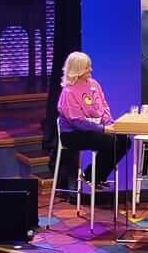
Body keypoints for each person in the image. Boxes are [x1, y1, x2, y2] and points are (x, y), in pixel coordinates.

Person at [56, 51, 131, 191]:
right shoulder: (68, 92)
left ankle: (97, 176)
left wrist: (108, 123)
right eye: (86, 67)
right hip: (72, 134)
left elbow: (103, 107)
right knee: (109, 142)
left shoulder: (94, 84)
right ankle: (91, 175)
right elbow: (77, 122)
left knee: (124, 140)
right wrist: (104, 129)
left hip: (95, 129)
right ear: (77, 70)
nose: (90, 69)